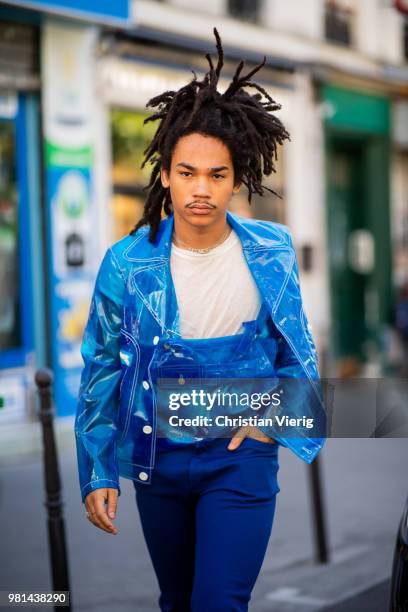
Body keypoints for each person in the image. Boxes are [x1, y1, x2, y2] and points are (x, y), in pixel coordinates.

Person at [75, 28, 326, 612]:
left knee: (218, 603)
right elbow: (101, 367)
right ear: (165, 175)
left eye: (217, 175)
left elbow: (300, 354)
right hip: (155, 460)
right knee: (178, 602)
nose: (201, 190)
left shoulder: (272, 250)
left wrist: (273, 426)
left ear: (238, 180)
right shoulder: (127, 260)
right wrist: (97, 470)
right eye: (187, 173)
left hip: (240, 457)